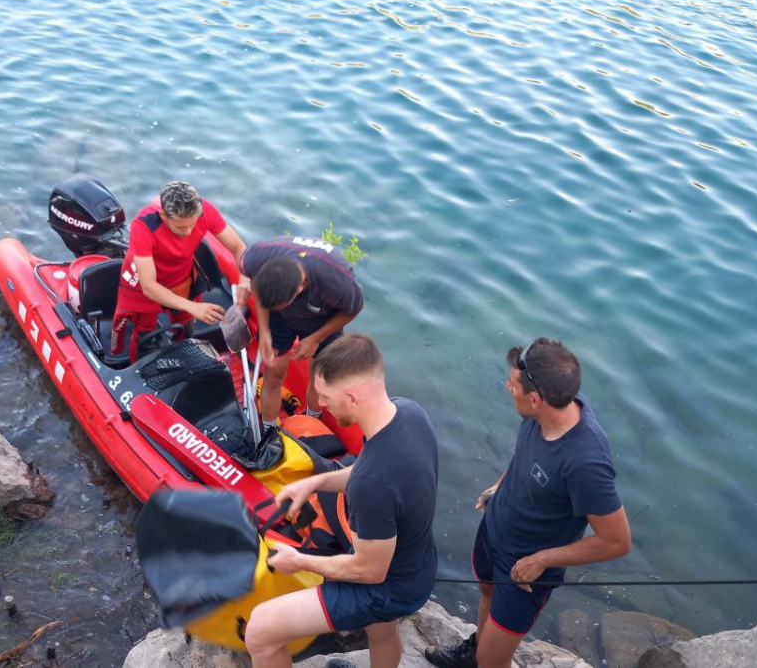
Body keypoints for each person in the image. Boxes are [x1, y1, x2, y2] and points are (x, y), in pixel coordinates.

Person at [425, 337, 632, 668]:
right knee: (486, 594)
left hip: (526, 569)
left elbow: (617, 541)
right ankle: (475, 656)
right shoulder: (549, 402)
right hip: (495, 530)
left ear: (536, 399)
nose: (507, 387)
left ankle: (486, 659)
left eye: (512, 384)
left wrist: (542, 560)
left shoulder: (586, 463)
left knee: (495, 661)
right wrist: (500, 484)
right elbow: (527, 453)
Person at [244, 334, 439, 668]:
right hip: (418, 566)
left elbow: (369, 571)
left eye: (325, 396)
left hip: (386, 588)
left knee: (261, 630)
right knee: (381, 631)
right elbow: (370, 471)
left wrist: (299, 560)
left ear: (351, 396)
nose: (319, 403)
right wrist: (316, 482)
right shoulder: (409, 413)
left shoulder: (371, 485)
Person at [110, 181, 247, 361]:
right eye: (181, 227)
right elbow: (149, 287)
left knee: (187, 325)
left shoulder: (205, 211)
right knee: (145, 334)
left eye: (193, 224)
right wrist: (193, 306)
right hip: (144, 281)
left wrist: (244, 278)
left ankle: (182, 357)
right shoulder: (144, 226)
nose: (189, 232)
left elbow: (238, 246)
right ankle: (141, 368)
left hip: (180, 275)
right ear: (163, 215)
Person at [239, 235, 364, 429]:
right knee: (273, 376)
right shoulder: (259, 256)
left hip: (322, 320)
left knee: (320, 378)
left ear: (299, 290)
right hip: (278, 319)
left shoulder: (337, 283)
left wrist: (316, 338)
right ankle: (269, 430)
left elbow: (353, 309)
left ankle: (313, 419)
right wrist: (264, 332)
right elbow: (256, 285)